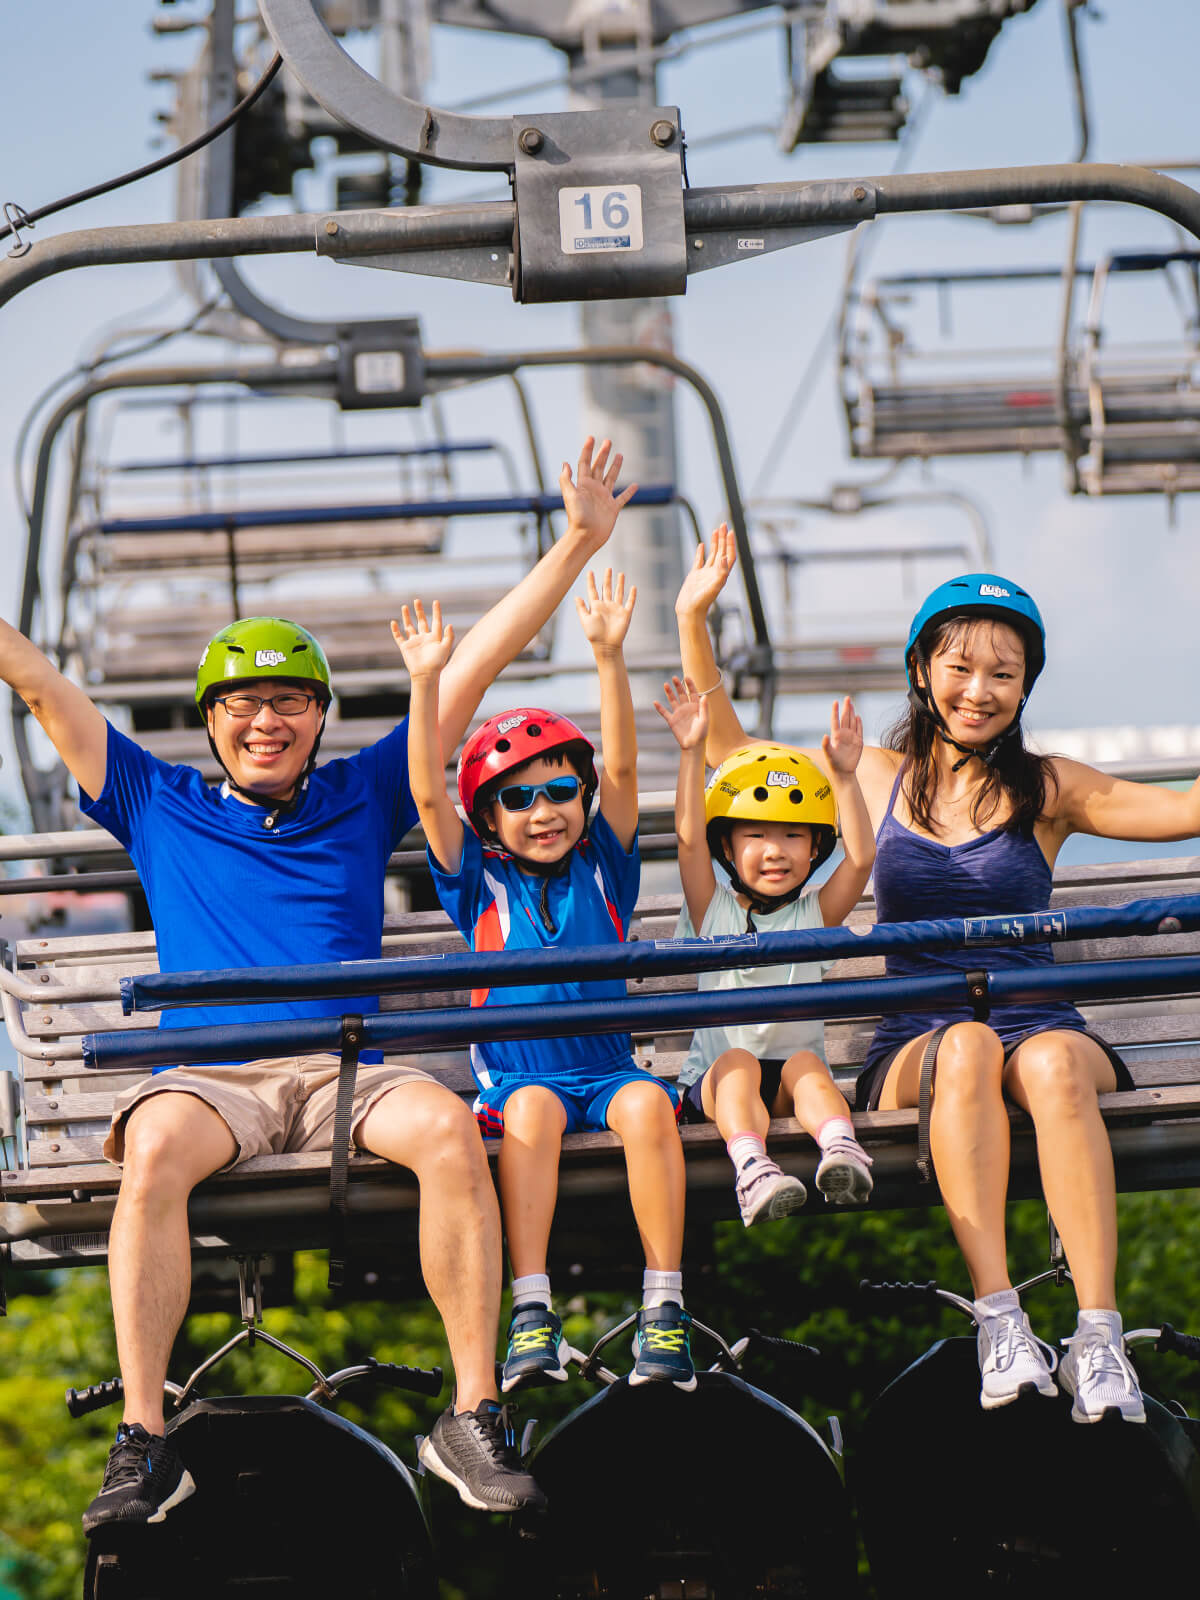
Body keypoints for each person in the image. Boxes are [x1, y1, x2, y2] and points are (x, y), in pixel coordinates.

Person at [0, 439, 636, 1530]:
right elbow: (35, 677)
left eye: (289, 702)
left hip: (349, 1069)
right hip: (214, 1079)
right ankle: (145, 1435)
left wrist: (578, 540)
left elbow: (475, 664)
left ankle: (471, 1414)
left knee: (446, 1131)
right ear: (211, 723)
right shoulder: (157, 800)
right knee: (150, 1148)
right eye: (243, 706)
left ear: (317, 720)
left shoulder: (366, 789)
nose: (266, 720)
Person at [678, 529, 1200, 1424]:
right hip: (920, 1039)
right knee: (964, 1045)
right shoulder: (876, 777)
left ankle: (1098, 1334)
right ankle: (1002, 1318)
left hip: (1043, 1023)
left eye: (1003, 673)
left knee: (1051, 1065)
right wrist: (695, 618)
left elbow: (1182, 809)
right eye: (960, 668)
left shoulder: (1048, 787)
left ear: (1024, 687)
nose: (979, 691)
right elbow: (729, 750)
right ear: (923, 672)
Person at [395, 569, 695, 1398]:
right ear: (488, 822)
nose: (545, 811)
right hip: (525, 1080)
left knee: (644, 1105)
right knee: (529, 1114)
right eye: (519, 799)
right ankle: (532, 1306)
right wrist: (426, 681)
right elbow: (424, 790)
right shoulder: (477, 883)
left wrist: (608, 656)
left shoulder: (606, 867)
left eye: (562, 790)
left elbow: (628, 775)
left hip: (608, 1069)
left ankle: (664, 1302)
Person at [655, 673, 875, 1223]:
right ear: (726, 846)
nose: (774, 851)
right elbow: (686, 841)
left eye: (793, 835)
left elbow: (862, 861)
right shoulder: (713, 912)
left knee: (806, 1063)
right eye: (755, 835)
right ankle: (752, 1167)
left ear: (816, 846)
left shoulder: (814, 917)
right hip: (715, 1087)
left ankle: (841, 1149)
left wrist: (845, 778)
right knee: (736, 1062)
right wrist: (690, 754)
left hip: (789, 1089)